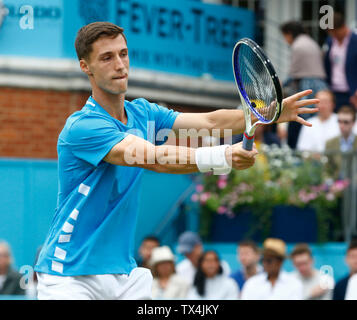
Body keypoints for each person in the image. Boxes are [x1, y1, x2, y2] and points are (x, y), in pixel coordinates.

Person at [33, 21, 319, 300]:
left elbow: (208, 121)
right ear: (86, 67)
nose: (120, 65)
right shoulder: (83, 126)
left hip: (123, 275)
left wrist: (270, 113)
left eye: (123, 53)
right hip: (69, 274)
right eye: (107, 58)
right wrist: (222, 156)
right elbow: (152, 157)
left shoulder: (144, 113)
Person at [280, 21, 328, 149]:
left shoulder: (298, 45)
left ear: (289, 33)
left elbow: (293, 74)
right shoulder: (311, 42)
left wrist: (279, 84)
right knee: (316, 120)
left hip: (307, 86)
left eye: (285, 36)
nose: (285, 40)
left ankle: (297, 151)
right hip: (321, 86)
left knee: (301, 120)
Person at [324, 12, 357, 112]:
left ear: (343, 27)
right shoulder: (330, 41)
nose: (333, 36)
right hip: (334, 91)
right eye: (331, 33)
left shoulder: (355, 41)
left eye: (335, 32)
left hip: (352, 92)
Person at [325, 105, 357, 179]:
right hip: (336, 186)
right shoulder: (330, 143)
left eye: (346, 122)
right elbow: (327, 169)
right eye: (339, 121)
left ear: (353, 123)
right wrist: (329, 183)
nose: (341, 125)